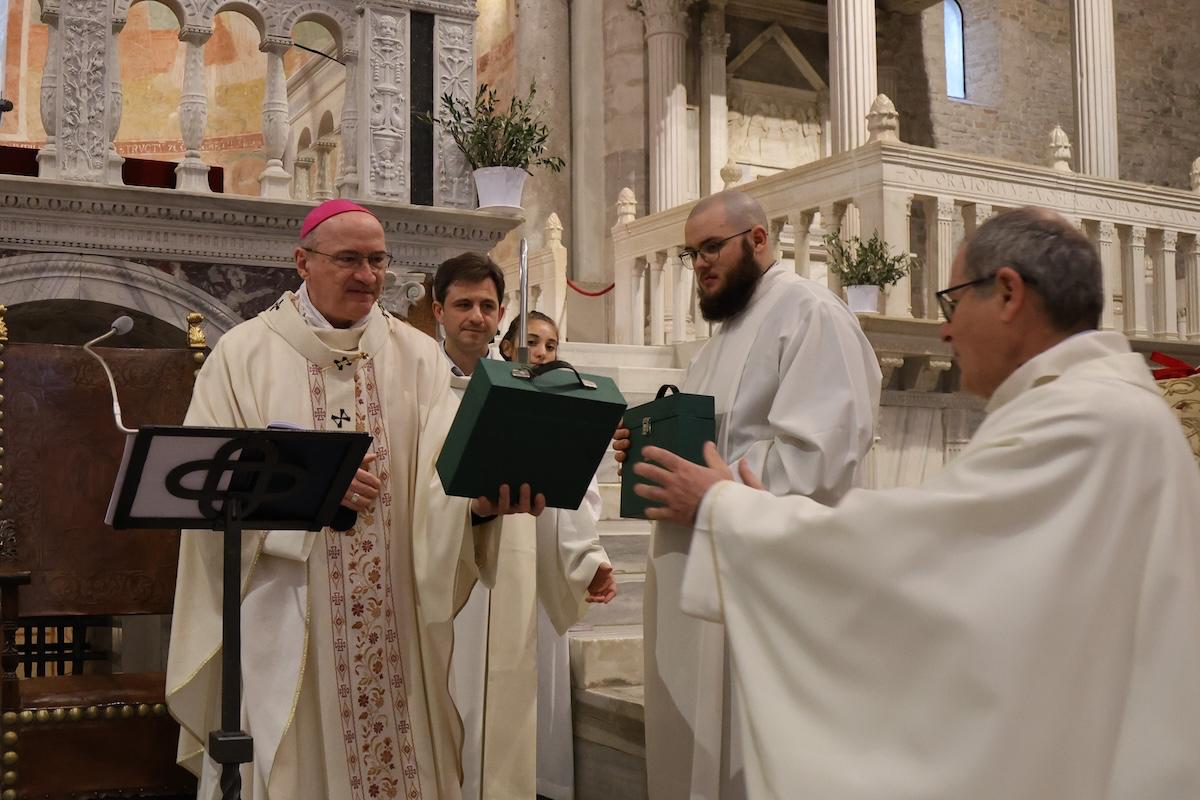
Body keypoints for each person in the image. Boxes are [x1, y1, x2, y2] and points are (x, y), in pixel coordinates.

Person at [634, 207, 1200, 799]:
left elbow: (926, 557)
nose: (947, 333)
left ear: (1007, 293)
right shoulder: (1103, 405)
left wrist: (726, 510)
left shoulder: (1086, 420)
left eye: (954, 306)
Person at [166, 200, 542, 800]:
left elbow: (444, 479)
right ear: (303, 262)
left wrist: (479, 506)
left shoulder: (418, 357)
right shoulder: (242, 356)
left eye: (377, 260)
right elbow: (204, 484)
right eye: (348, 259)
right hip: (285, 616)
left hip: (395, 619)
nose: (366, 275)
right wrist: (311, 485)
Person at [612, 189, 881, 799]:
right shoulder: (717, 342)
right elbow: (708, 442)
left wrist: (715, 487)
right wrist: (651, 455)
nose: (701, 265)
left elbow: (821, 456)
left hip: (769, 581)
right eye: (691, 255)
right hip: (700, 573)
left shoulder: (811, 314)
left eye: (712, 248)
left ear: (758, 240)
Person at [497, 311, 618, 800]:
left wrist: (589, 557)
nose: (543, 352)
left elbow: (582, 490)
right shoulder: (486, 395)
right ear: (506, 348)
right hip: (491, 548)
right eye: (531, 342)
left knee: (537, 664)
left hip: (544, 550)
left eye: (551, 344)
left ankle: (538, 782)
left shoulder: (570, 405)